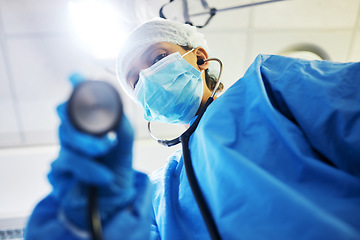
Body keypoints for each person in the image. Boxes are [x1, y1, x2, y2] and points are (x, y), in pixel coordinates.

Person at [25, 18, 360, 240]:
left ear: (199, 57)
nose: (148, 77)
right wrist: (86, 220)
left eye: (156, 58)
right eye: (135, 81)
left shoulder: (267, 83)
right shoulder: (159, 192)